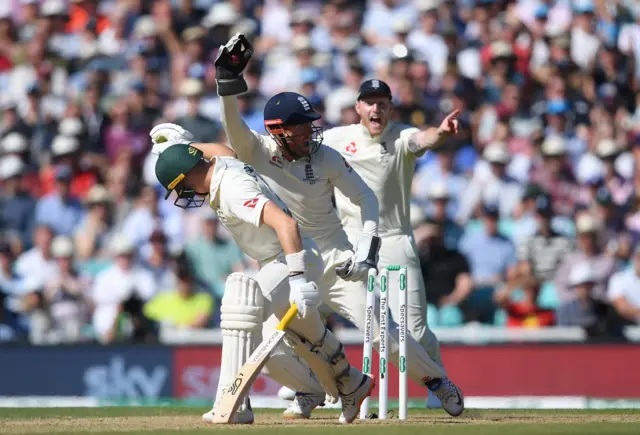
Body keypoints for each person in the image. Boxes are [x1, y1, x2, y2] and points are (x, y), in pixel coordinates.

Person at [150, 34, 463, 420]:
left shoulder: (326, 156)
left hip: (335, 258)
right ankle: (311, 389)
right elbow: (229, 133)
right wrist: (226, 83)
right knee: (269, 334)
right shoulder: (259, 152)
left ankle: (437, 382)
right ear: (280, 132)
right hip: (289, 259)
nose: (311, 134)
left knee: (387, 336)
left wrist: (365, 249)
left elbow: (365, 199)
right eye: (302, 129)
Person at [152, 143, 373, 424]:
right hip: (280, 260)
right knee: (280, 346)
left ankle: (231, 404)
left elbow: (286, 225)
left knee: (241, 300)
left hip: (291, 258)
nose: (183, 194)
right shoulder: (221, 164)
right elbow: (226, 149)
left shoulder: (233, 188)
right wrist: (181, 144)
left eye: (180, 186)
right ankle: (350, 383)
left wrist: (298, 278)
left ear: (185, 176)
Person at [322, 77, 464, 408]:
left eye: (382, 103)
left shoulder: (401, 136)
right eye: (369, 102)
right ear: (358, 107)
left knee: (413, 330)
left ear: (390, 108)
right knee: (310, 304)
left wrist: (441, 133)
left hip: (394, 240)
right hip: (349, 242)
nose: (376, 108)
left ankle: (437, 382)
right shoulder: (335, 138)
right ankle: (305, 385)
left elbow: (424, 138)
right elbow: (301, 152)